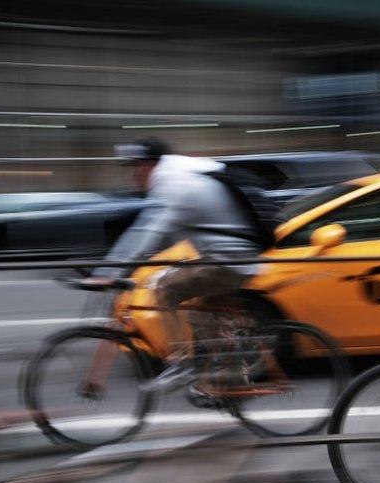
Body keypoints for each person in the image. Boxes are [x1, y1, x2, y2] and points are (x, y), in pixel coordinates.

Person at [79, 138, 263, 397]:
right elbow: (165, 236)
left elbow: (146, 231)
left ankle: (181, 363)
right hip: (233, 256)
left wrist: (107, 274)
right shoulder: (185, 175)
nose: (133, 175)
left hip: (229, 259)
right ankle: (232, 379)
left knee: (164, 287)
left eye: (137, 167)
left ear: (151, 165)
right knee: (202, 309)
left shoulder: (173, 183)